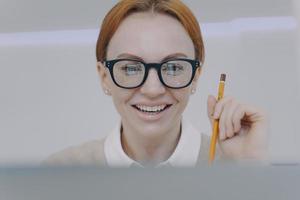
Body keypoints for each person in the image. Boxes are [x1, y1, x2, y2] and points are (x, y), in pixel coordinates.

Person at [43, 0, 268, 167]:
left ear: (196, 76)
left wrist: (250, 171)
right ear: (104, 77)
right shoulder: (60, 172)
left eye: (173, 67)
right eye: (131, 68)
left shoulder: (234, 165)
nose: (152, 90)